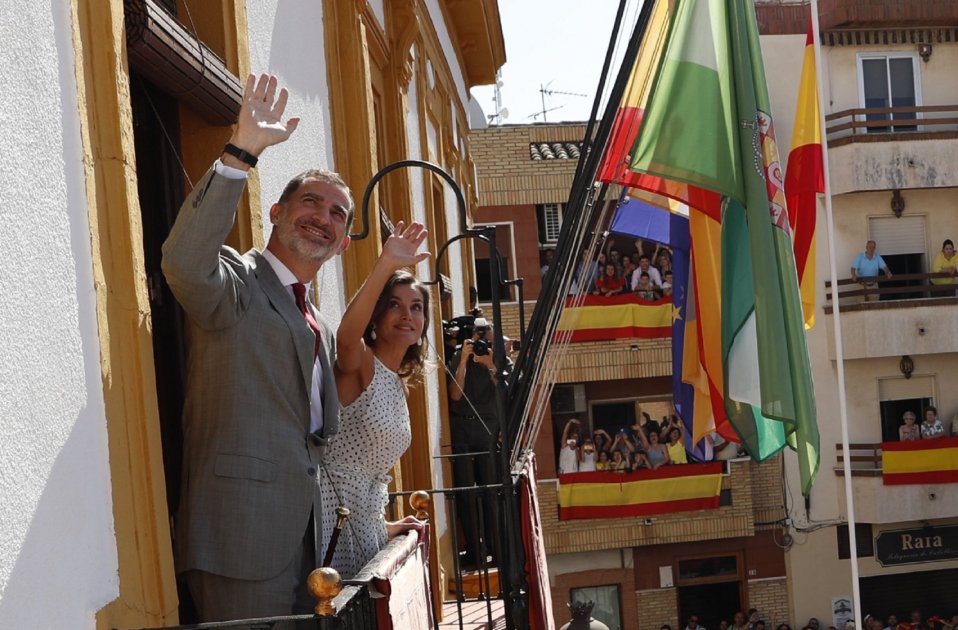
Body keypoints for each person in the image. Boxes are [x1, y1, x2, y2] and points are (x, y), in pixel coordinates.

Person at [162, 74, 350, 620]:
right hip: (236, 540)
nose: (323, 217)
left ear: (341, 244)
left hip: (307, 544)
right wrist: (241, 153)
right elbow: (186, 265)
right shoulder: (238, 280)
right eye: (310, 202)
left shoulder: (319, 323)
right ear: (276, 212)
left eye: (338, 214)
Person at [320, 223, 430, 578]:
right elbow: (346, 337)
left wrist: (388, 526)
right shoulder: (362, 363)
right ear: (376, 316)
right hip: (329, 515)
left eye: (416, 307)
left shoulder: (399, 385)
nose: (407, 314)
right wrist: (386, 264)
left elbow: (369, 475)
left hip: (365, 524)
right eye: (394, 305)